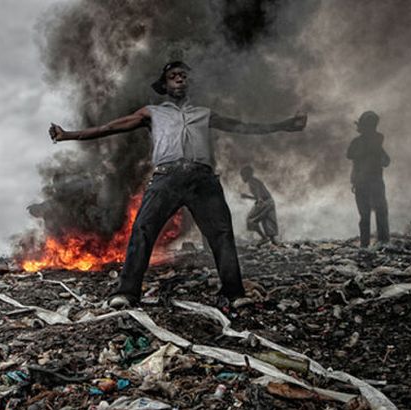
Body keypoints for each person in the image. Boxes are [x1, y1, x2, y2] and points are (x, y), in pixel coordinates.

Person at [49, 61, 306, 308]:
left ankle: (233, 293)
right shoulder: (152, 112)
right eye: (174, 76)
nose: (180, 78)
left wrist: (285, 126)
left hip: (202, 180)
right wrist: (67, 135)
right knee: (143, 230)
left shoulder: (204, 113)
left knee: (222, 235)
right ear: (164, 85)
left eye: (183, 75)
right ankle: (127, 293)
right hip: (166, 178)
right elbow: (109, 127)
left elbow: (243, 127)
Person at [346, 111, 390, 248]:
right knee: (377, 212)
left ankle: (368, 244)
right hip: (369, 182)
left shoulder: (365, 142)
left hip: (366, 182)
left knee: (369, 214)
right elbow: (386, 161)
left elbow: (386, 161)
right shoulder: (373, 142)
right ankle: (380, 242)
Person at [240, 165, 278, 245]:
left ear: (247, 175)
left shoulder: (252, 181)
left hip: (264, 202)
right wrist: (247, 197)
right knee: (267, 219)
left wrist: (259, 199)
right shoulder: (255, 180)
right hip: (269, 201)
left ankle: (264, 238)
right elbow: (258, 195)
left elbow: (258, 192)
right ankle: (273, 241)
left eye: (242, 175)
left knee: (250, 219)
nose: (242, 178)